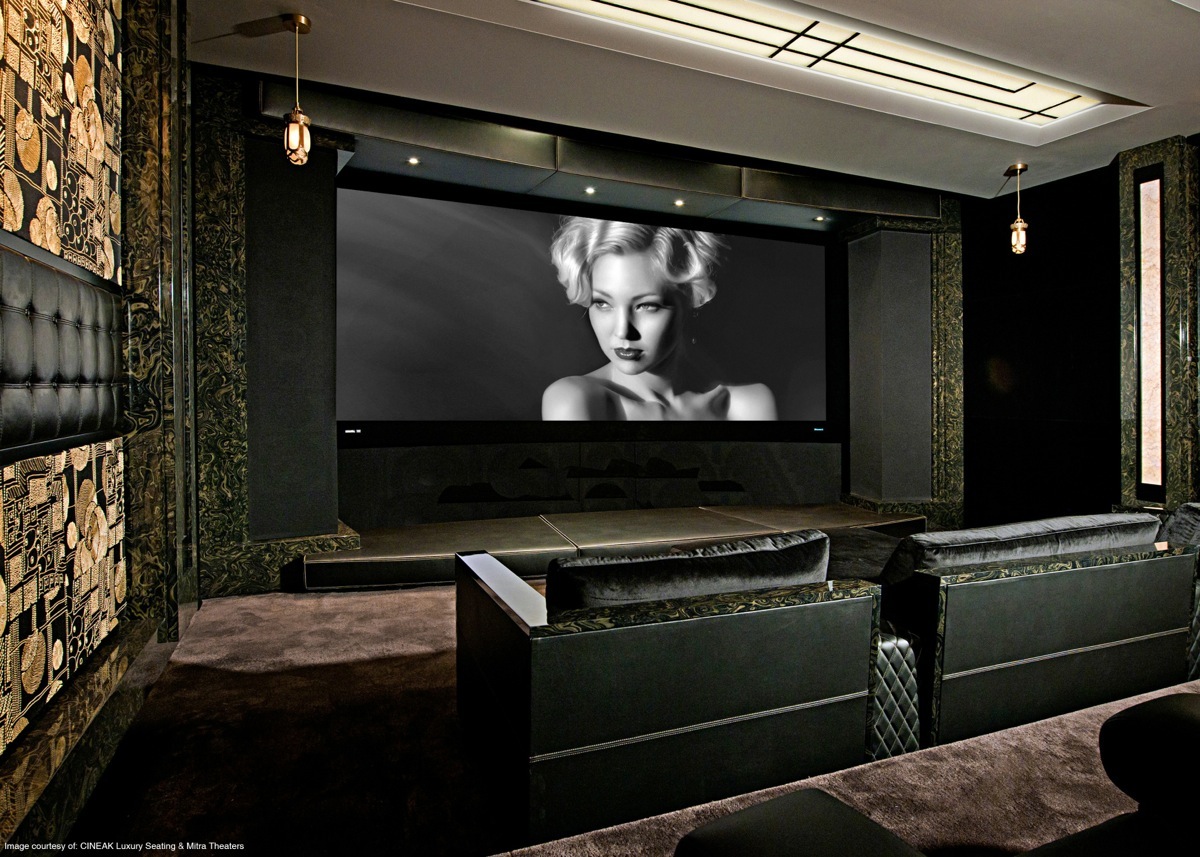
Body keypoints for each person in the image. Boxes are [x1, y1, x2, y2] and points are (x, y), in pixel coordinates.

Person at [541, 217, 777, 421]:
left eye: (647, 306)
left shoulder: (748, 404)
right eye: (602, 303)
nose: (623, 331)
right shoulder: (572, 399)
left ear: (690, 297)